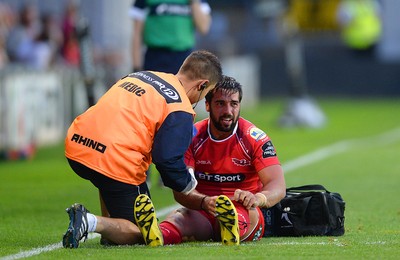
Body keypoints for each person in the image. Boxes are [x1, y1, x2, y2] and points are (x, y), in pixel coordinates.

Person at [62, 50, 222, 248]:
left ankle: (110, 233)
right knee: (146, 233)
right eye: (205, 94)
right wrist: (188, 183)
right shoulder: (180, 106)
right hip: (114, 160)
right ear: (202, 85)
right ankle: (90, 221)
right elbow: (167, 161)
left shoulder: (142, 75)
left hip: (77, 144)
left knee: (109, 178)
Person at [134, 75, 286, 246]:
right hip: (203, 210)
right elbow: (180, 190)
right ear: (207, 105)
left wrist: (257, 198)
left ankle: (230, 226)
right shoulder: (192, 136)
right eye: (220, 103)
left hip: (243, 208)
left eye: (234, 104)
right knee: (180, 219)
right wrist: (204, 202)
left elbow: (277, 186)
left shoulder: (254, 138)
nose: (228, 111)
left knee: (242, 216)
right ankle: (158, 234)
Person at [130, 0, 212, 74]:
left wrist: (194, 2)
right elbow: (137, 34)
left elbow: (204, 28)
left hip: (184, 57)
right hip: (155, 56)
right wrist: (136, 67)